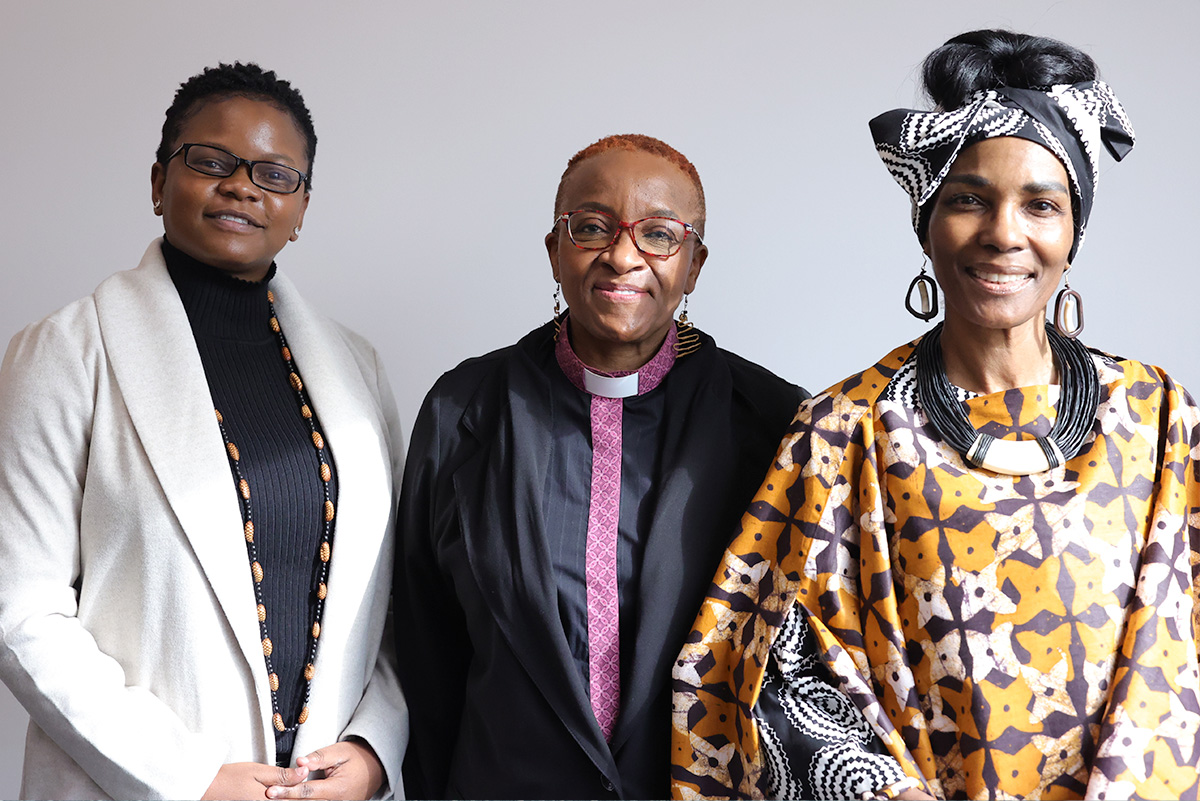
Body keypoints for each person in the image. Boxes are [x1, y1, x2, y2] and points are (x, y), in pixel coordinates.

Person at [672, 30, 1200, 801]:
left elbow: (1182, 656)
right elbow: (757, 676)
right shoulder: (844, 430)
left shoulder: (1158, 419)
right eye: (968, 200)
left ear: (1072, 232)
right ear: (926, 222)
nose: (1004, 234)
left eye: (1041, 205)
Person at [0, 63, 406, 800]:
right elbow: (21, 610)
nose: (242, 186)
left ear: (303, 206)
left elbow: (394, 597)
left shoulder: (359, 369)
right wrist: (189, 777)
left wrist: (376, 745)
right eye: (211, 162)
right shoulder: (63, 353)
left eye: (275, 174)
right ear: (159, 181)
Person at [393, 134, 806, 799]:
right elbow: (422, 645)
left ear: (694, 263)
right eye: (591, 228)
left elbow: (796, 667)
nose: (621, 255)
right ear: (555, 250)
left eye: (658, 235)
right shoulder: (464, 409)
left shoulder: (768, 421)